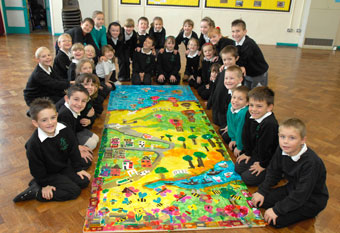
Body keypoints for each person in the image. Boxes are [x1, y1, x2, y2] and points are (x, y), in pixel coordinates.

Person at [251, 118, 328, 228]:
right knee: (260, 201)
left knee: (274, 221)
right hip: (292, 188)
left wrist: (277, 210)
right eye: (282, 137)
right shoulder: (283, 149)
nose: (285, 141)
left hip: (311, 200)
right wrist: (262, 191)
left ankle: (306, 213)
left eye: (292, 138)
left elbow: (301, 194)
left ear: (302, 140)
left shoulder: (311, 163)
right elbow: (273, 172)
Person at [13, 98, 90, 202]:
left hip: (63, 166)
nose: (50, 123)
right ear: (36, 123)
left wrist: (78, 169)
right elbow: (36, 168)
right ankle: (37, 191)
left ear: (57, 116)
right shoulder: (34, 145)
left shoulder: (64, 128)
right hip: (49, 174)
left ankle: (43, 182)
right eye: (44, 120)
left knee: (84, 181)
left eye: (53, 118)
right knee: (74, 191)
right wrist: (44, 185)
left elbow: (73, 149)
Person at [235, 86, 279, 186]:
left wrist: (263, 165)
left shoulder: (270, 124)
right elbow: (245, 134)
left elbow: (267, 148)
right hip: (257, 153)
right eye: (251, 105)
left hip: (268, 158)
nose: (253, 109)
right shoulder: (249, 113)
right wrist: (248, 153)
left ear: (269, 107)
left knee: (247, 179)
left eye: (259, 106)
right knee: (238, 167)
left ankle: (275, 174)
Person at [58, 85, 99, 169]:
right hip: (62, 144)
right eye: (76, 99)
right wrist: (77, 148)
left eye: (83, 101)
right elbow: (64, 138)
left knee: (96, 138)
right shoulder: (64, 115)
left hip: (72, 134)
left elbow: (74, 128)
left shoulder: (73, 109)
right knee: (87, 161)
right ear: (67, 99)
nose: (79, 104)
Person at [231, 19, 269, 89]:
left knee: (258, 94)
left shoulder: (249, 43)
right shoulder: (235, 43)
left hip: (258, 73)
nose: (235, 34)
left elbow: (244, 58)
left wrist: (239, 65)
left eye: (238, 31)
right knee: (247, 92)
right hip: (248, 73)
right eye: (233, 31)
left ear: (245, 32)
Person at [208, 45, 239, 127]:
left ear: (236, 58)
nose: (227, 62)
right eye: (225, 60)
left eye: (230, 59)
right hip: (217, 102)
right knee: (215, 121)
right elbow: (215, 87)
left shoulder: (238, 73)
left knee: (222, 124)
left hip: (225, 105)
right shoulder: (222, 70)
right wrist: (210, 102)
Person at [226, 86, 249, 157]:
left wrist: (239, 146)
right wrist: (233, 138)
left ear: (247, 103)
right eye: (234, 97)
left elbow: (241, 130)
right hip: (236, 134)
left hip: (245, 138)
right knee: (225, 136)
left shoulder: (243, 113)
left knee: (238, 154)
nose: (235, 101)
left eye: (240, 99)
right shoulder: (230, 105)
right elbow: (230, 122)